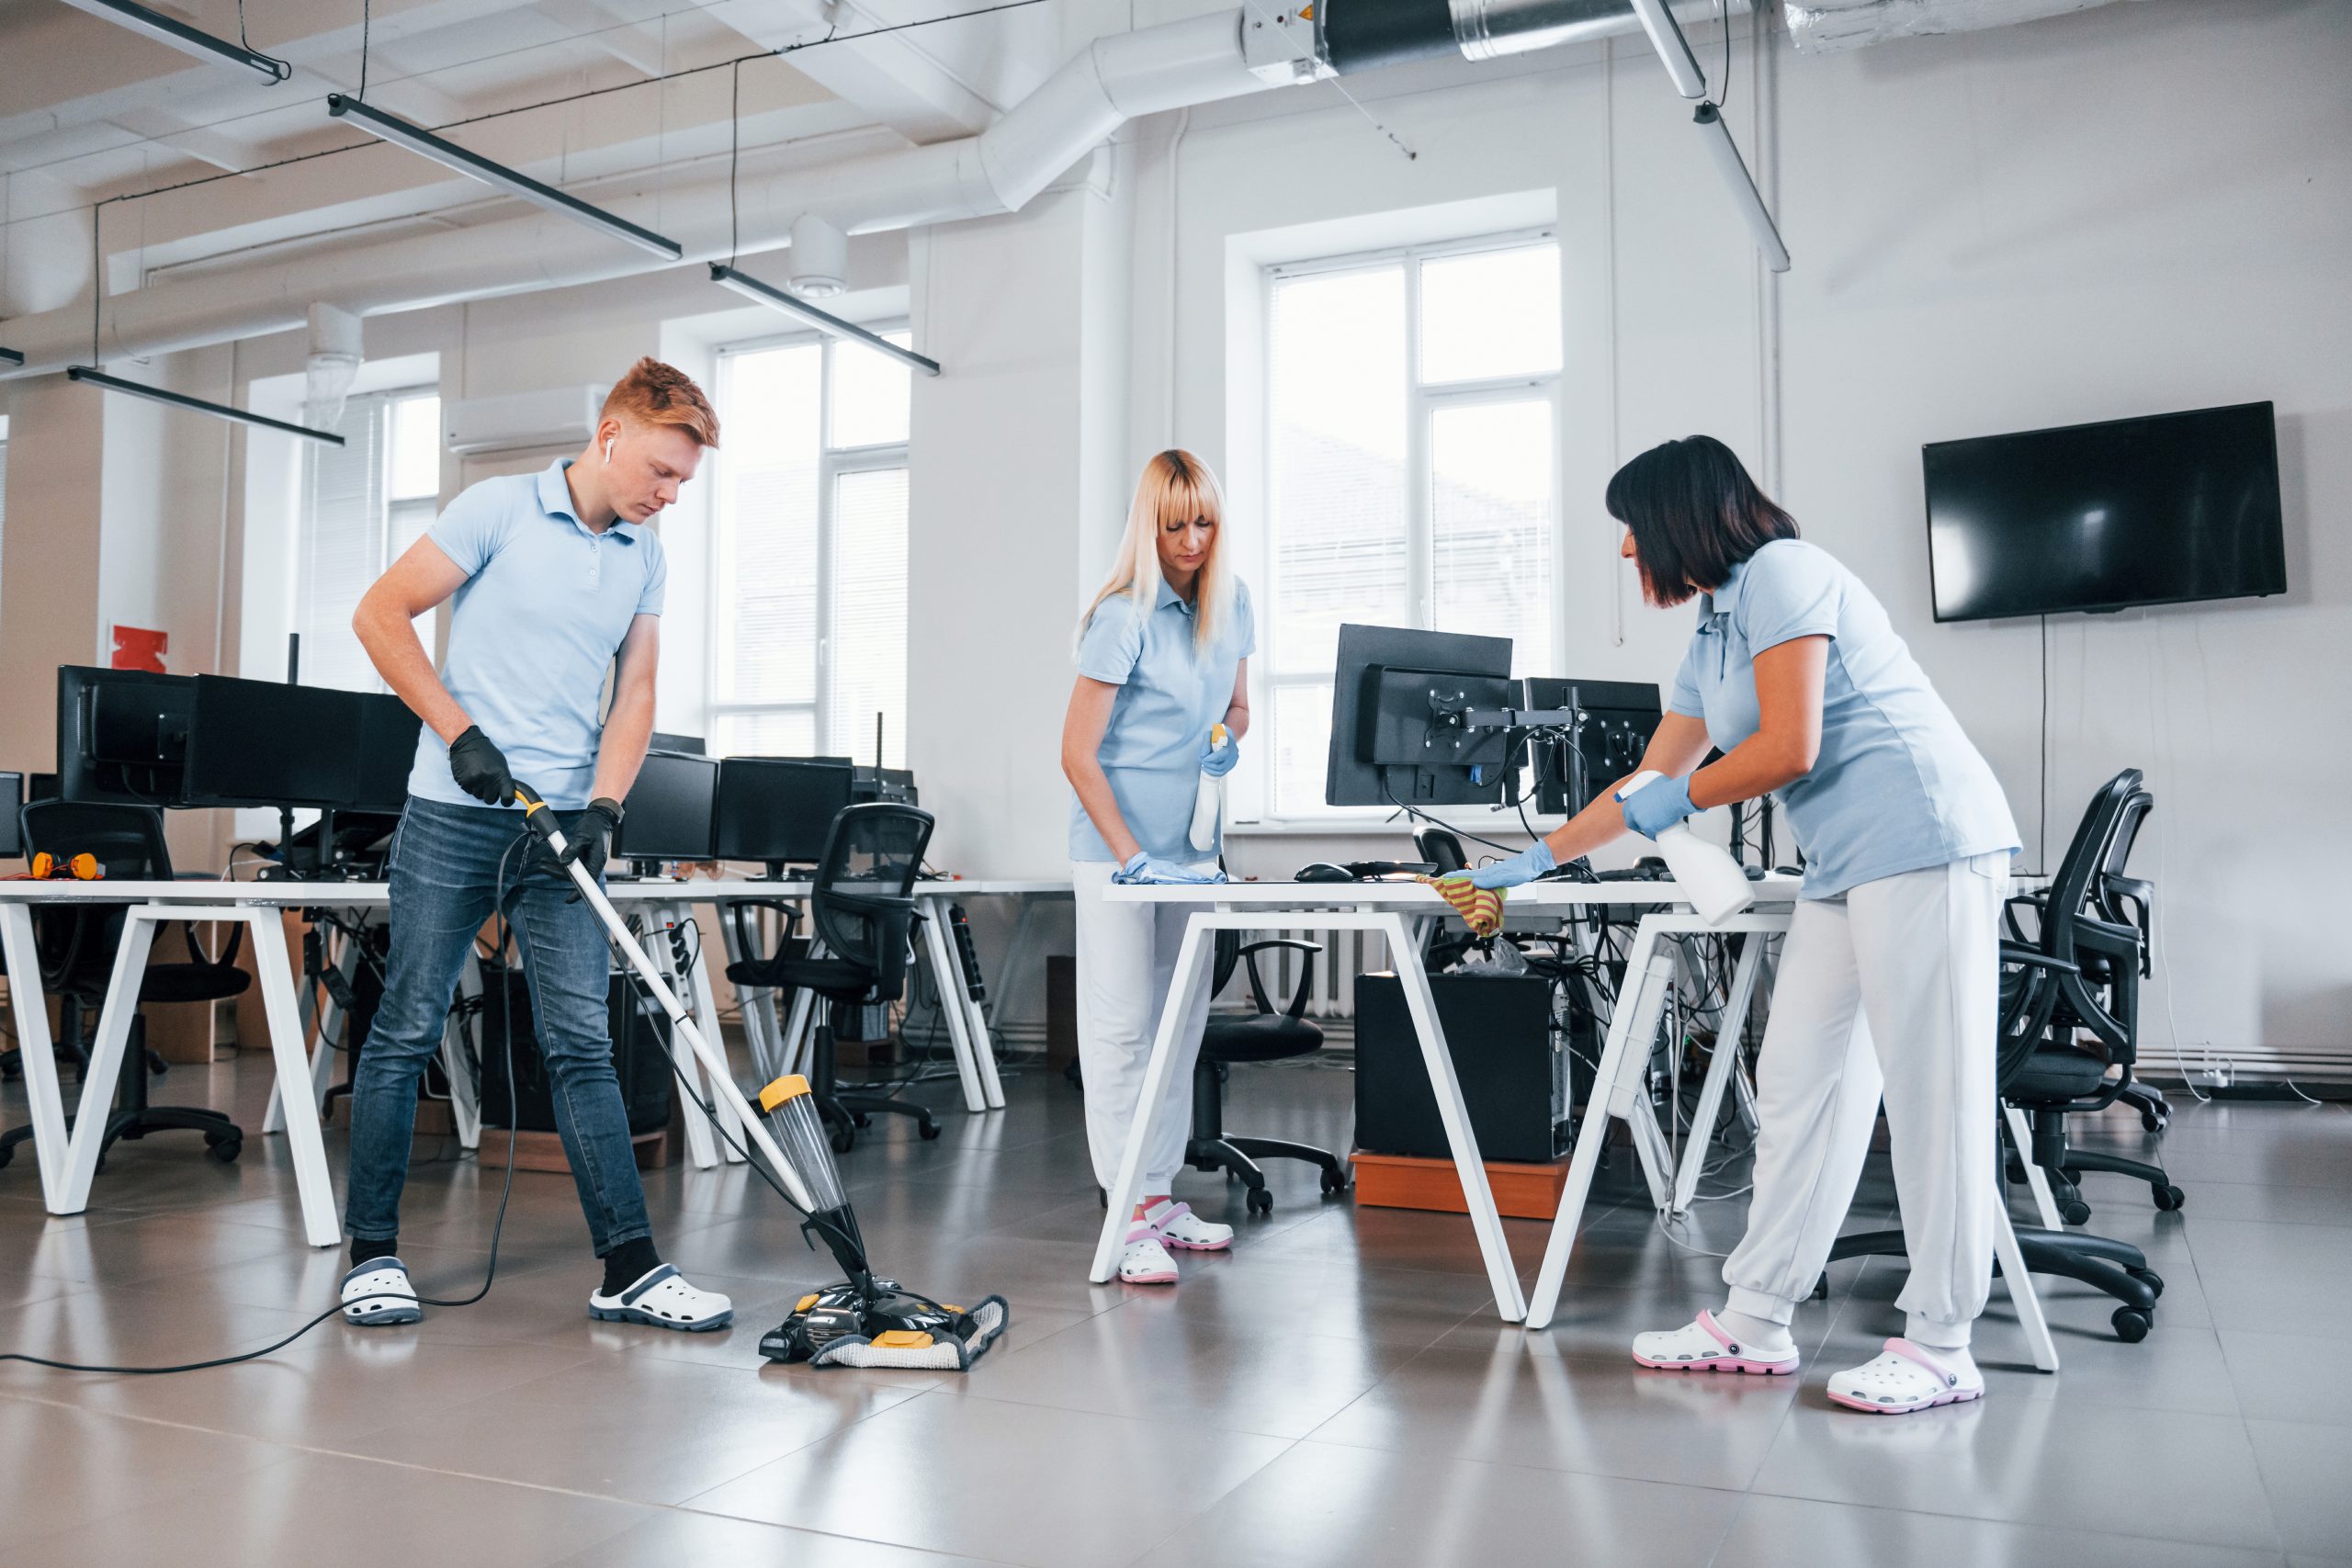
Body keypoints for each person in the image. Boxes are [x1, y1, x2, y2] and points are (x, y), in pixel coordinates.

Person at [1448, 435, 2018, 1414]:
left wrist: (1684, 800)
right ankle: (1756, 1317)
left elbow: (1789, 745)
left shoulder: (1784, 574)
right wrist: (1531, 863)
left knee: (1932, 1096)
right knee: (1798, 1084)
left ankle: (1942, 1342)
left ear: (1679, 519)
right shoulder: (1713, 628)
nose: (1628, 552)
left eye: (1633, 529)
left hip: (1925, 838)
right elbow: (1647, 781)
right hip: (1843, 866)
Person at [339, 358, 735, 1334]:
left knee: (582, 1044)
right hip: (450, 812)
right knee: (405, 1026)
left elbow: (636, 691)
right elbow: (379, 615)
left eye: (683, 481)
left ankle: (629, 1270)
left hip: (561, 830)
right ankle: (372, 1258)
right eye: (659, 471)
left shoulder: (644, 553)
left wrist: (605, 805)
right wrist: (458, 731)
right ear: (608, 435)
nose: (668, 495)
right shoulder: (497, 509)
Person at [1060, 450, 1253, 1286]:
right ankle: (1125, 1207)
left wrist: (1226, 740)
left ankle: (1160, 1190)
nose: (1190, 539)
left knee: (1179, 1029)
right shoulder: (1122, 614)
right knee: (1122, 1029)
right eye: (1174, 525)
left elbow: (1238, 706)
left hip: (1192, 854)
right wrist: (1131, 858)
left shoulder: (1232, 602)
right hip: (1116, 856)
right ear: (1150, 525)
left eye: (1203, 522)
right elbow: (1076, 753)